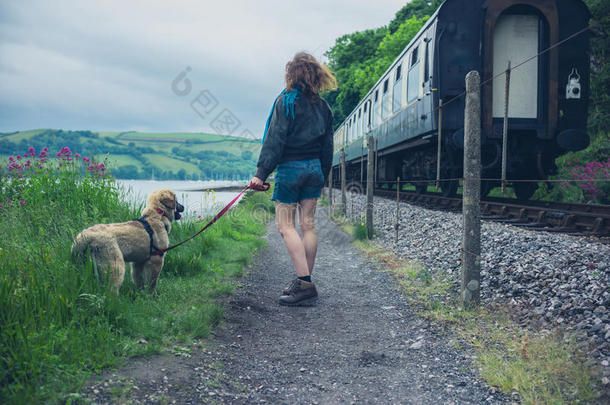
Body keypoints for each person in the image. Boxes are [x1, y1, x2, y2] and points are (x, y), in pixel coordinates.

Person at [250, 52, 336, 306]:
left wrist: (260, 174)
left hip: (290, 170)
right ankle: (304, 282)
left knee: (285, 226)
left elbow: (275, 140)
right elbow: (328, 147)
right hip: (314, 169)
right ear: (316, 75)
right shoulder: (324, 107)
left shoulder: (285, 101)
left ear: (292, 74)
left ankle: (304, 282)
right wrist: (323, 175)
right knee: (307, 225)